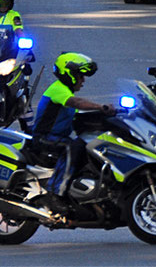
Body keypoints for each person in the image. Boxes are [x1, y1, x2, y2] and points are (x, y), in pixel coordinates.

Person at [32, 53, 115, 207]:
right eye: (80, 76)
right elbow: (77, 103)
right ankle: (55, 193)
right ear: (69, 74)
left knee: (89, 147)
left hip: (56, 137)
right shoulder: (58, 89)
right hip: (44, 137)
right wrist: (100, 107)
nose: (83, 80)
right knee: (71, 148)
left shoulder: (66, 92)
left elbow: (82, 116)